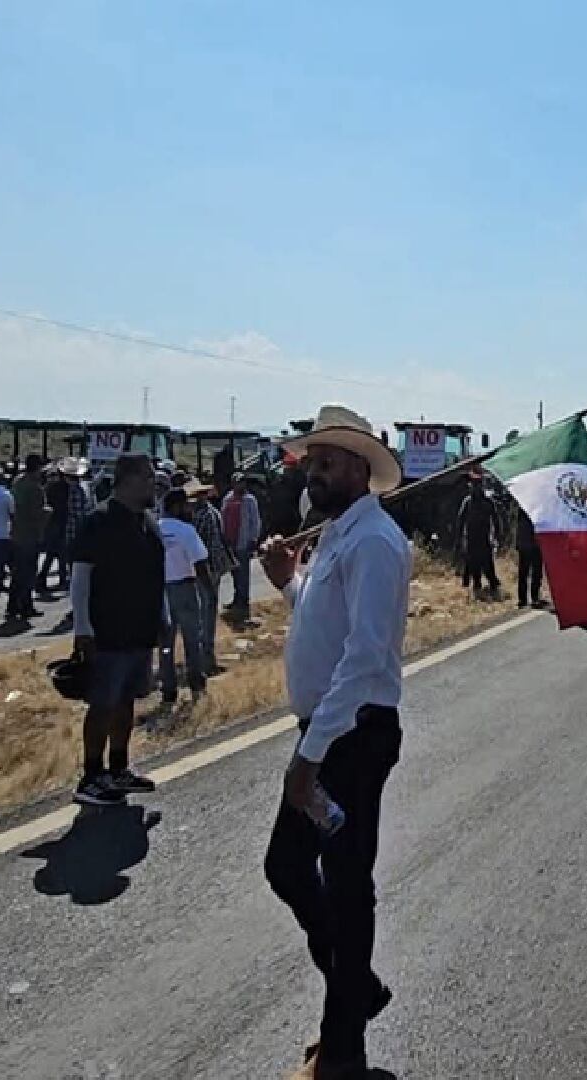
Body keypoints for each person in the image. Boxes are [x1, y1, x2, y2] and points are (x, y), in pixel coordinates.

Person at [258, 404, 408, 1080]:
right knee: (288, 870)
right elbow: (322, 622)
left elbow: (363, 657)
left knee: (345, 889)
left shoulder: (374, 541)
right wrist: (288, 580)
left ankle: (343, 1051)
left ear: (358, 469)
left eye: (326, 463)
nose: (313, 473)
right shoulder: (338, 536)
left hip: (351, 737)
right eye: (311, 462)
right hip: (327, 733)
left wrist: (310, 756)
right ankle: (357, 988)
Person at [69, 453, 165, 806]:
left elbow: (157, 578)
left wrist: (162, 619)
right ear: (129, 480)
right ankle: (91, 776)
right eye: (149, 478)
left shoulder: (150, 524)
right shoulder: (98, 521)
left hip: (140, 631)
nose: (154, 484)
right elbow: (81, 577)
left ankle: (119, 769)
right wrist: (83, 628)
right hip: (106, 632)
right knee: (102, 704)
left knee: (126, 702)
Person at [157, 488, 212, 703]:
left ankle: (168, 690)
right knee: (192, 640)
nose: (190, 508)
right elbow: (199, 562)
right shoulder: (186, 530)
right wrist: (208, 591)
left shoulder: (154, 528)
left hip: (161, 590)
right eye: (186, 505)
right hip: (185, 589)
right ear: (176, 507)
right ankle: (196, 684)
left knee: (166, 643)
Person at [189, 481, 233, 673]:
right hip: (206, 570)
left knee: (207, 612)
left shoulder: (208, 512)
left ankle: (207, 658)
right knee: (206, 614)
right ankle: (205, 661)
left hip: (212, 567)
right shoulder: (202, 515)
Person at [7, 454, 49, 620]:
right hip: (30, 535)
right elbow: (36, 513)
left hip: (16, 533)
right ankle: (25, 606)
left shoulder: (17, 483)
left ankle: (13, 605)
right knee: (28, 572)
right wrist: (48, 512)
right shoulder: (35, 488)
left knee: (17, 573)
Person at [223, 474, 264, 619]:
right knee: (234, 573)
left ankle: (244, 602)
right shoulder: (228, 499)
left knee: (243, 574)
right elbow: (223, 518)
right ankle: (236, 599)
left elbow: (255, 520)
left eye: (242, 483)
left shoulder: (250, 500)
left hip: (243, 542)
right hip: (230, 542)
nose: (240, 485)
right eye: (237, 482)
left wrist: (254, 538)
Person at [456, 479, 501, 599]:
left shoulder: (488, 502)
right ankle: (477, 589)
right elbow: (461, 521)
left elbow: (496, 520)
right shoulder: (468, 502)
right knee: (473, 565)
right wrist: (460, 538)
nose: (475, 488)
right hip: (471, 539)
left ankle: (493, 587)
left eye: (478, 486)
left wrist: (497, 536)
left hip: (484, 537)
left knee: (487, 564)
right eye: (473, 486)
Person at [58, 460, 93, 593]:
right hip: (76, 533)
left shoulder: (68, 489)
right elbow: (79, 513)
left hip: (68, 532)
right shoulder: (77, 490)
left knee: (72, 565)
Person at [38, 463, 71, 593]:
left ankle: (44, 578)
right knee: (60, 552)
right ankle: (59, 579)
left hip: (51, 523)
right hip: (60, 522)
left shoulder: (48, 487)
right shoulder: (64, 488)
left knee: (54, 553)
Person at [515, 504, 543, 608]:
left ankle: (532, 597)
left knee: (535, 572)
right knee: (525, 572)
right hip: (528, 543)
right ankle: (525, 599)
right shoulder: (524, 506)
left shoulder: (533, 507)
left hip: (533, 543)